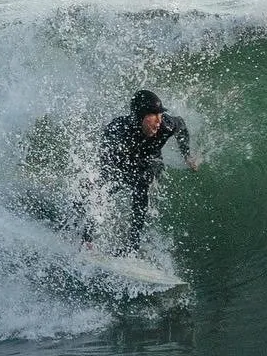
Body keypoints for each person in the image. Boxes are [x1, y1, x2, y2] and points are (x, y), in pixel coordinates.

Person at [83, 89, 199, 255]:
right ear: (140, 116)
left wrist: (187, 155)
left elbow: (181, 125)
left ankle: (132, 246)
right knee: (100, 190)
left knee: (142, 185)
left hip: (149, 160)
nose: (159, 120)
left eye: (160, 114)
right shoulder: (119, 131)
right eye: (153, 115)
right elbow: (104, 159)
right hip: (121, 161)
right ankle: (87, 240)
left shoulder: (165, 125)